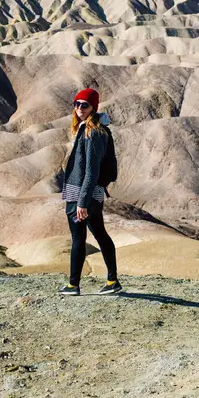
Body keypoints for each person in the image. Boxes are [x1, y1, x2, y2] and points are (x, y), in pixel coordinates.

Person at [58, 88, 122, 296]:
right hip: (90, 193)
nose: (79, 108)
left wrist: (82, 202)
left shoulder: (92, 132)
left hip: (82, 194)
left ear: (93, 107)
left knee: (78, 238)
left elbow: (91, 170)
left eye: (84, 105)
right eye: (76, 104)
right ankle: (112, 281)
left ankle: (73, 285)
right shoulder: (92, 129)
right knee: (100, 234)